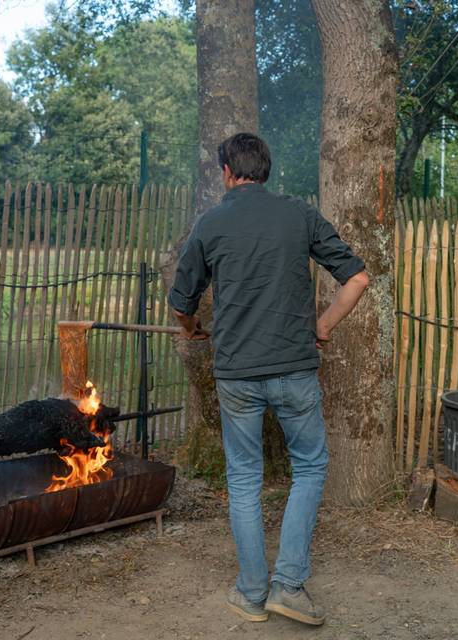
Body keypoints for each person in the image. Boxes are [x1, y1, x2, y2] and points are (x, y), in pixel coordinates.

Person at [168, 132, 369, 626]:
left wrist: (193, 331)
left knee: (243, 478)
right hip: (295, 368)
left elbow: (181, 304)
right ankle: (289, 585)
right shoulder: (298, 214)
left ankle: (252, 592)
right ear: (265, 171)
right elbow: (358, 278)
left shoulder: (210, 223)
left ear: (227, 172)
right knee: (310, 468)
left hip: (237, 375)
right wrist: (322, 327)